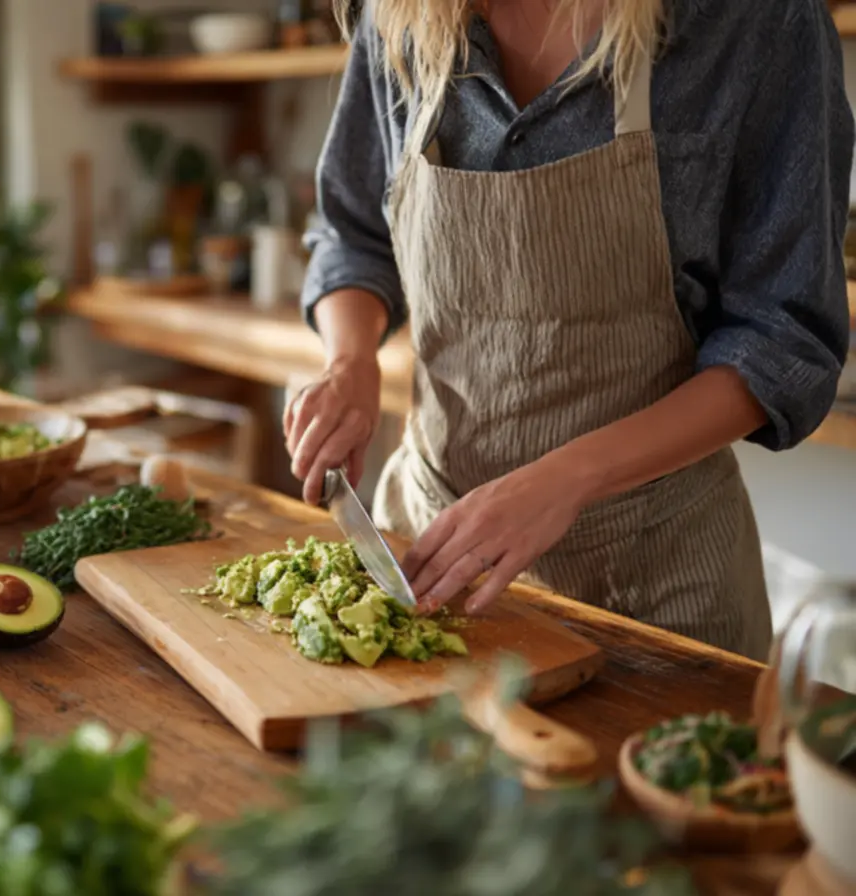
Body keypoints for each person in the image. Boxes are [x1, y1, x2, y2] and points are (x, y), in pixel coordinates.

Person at [285, 0, 854, 660]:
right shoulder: (402, 15)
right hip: (428, 562)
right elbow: (353, 237)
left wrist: (568, 479)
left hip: (656, 594)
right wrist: (350, 360)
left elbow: (782, 341)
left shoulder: (756, 22)